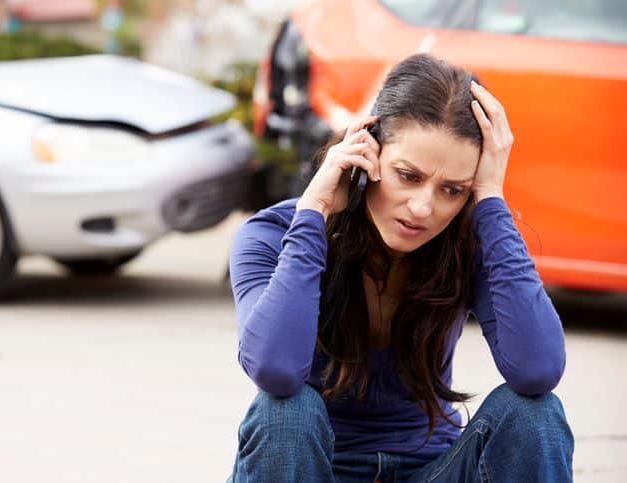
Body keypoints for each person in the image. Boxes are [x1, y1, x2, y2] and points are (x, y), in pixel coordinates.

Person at [226, 54, 574, 482]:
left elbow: (538, 370)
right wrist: (315, 212)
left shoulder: (470, 240)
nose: (423, 208)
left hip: (431, 469)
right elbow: (275, 370)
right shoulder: (271, 235)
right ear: (366, 150)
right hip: (316, 469)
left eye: (452, 189)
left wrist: (489, 199)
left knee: (534, 413)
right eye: (408, 176)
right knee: (284, 412)